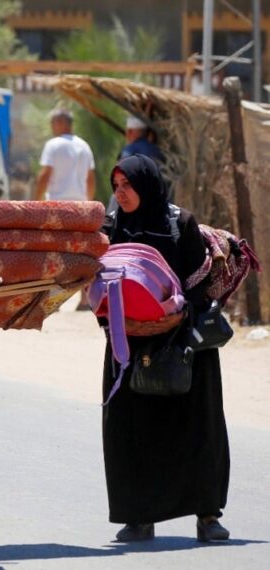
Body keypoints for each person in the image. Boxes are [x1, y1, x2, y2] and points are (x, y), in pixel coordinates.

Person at [99, 155, 230, 544]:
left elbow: (203, 283)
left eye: (128, 185)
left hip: (183, 341)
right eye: (115, 185)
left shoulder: (180, 224)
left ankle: (208, 515)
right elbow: (98, 284)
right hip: (129, 341)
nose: (120, 193)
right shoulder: (110, 227)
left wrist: (178, 315)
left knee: (197, 427)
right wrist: (117, 323)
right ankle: (138, 516)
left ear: (147, 185)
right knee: (131, 429)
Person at [35, 108, 94, 202]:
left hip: (56, 204)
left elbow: (45, 175)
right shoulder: (85, 146)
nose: (52, 127)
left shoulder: (53, 145)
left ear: (61, 123)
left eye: (53, 123)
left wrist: (37, 200)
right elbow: (90, 179)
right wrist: (88, 202)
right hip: (79, 205)